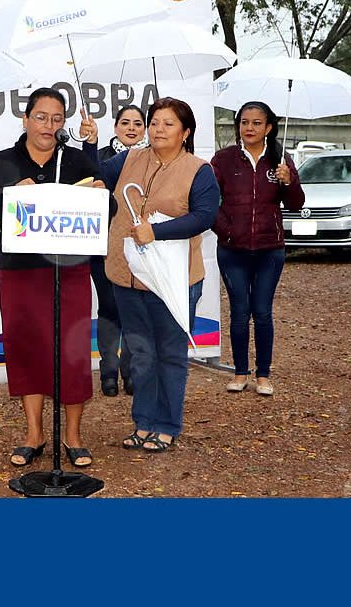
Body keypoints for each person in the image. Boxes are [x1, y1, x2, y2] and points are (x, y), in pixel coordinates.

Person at [0, 87, 102, 468]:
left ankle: (74, 436)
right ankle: (34, 434)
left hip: (71, 271)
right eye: (41, 117)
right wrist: (10, 193)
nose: (49, 125)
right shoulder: (3, 161)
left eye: (57, 118)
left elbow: (106, 208)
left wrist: (99, 192)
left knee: (74, 350)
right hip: (21, 271)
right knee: (27, 347)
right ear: (25, 119)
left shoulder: (77, 160)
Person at [99, 97, 219, 453]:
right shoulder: (130, 158)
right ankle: (144, 422)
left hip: (173, 279)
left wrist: (158, 232)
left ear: (186, 132)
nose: (158, 130)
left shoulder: (199, 170)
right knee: (140, 353)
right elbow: (98, 175)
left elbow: (204, 216)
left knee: (168, 352)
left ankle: (167, 424)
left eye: (168, 124)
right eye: (154, 123)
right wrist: (90, 144)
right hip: (127, 276)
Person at [210, 101, 304, 396]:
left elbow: (296, 204)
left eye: (256, 123)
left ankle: (263, 375)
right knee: (239, 311)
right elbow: (209, 203)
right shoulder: (223, 159)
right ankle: (240, 373)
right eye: (244, 122)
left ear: (269, 128)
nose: (249, 128)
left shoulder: (280, 160)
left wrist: (288, 182)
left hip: (269, 249)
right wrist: (228, 231)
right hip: (232, 250)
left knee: (262, 311)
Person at [81, 105, 146, 396]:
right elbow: (88, 175)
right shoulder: (103, 158)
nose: (131, 128)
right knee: (109, 307)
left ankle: (130, 372)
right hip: (104, 246)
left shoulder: (153, 160)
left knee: (134, 309)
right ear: (115, 127)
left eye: (137, 123)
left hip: (141, 247)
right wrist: (90, 144)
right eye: (125, 122)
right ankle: (108, 372)